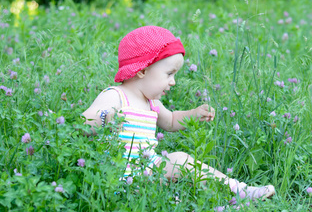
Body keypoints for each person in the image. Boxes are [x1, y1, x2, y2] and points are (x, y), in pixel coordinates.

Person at [82, 26, 275, 201]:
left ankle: (237, 192)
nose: (173, 81)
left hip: (148, 172)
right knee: (179, 161)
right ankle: (233, 195)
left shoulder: (152, 103)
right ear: (142, 70)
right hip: (116, 176)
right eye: (169, 74)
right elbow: (84, 121)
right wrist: (102, 119)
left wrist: (193, 114)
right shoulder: (116, 96)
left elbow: (171, 121)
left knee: (180, 161)